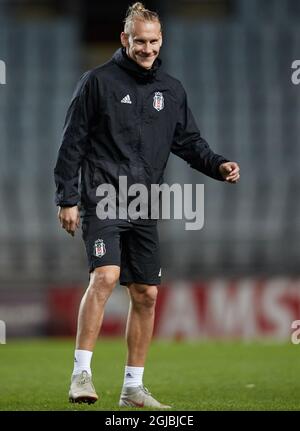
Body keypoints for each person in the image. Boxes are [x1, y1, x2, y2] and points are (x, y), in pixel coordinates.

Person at [54, 2, 240, 409]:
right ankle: (80, 375)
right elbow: (72, 143)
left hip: (145, 202)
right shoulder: (97, 82)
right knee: (105, 277)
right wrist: (66, 198)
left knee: (147, 294)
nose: (147, 48)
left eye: (154, 41)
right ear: (125, 39)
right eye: (140, 41)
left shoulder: (170, 90)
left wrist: (218, 164)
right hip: (102, 196)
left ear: (161, 40)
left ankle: (132, 388)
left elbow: (188, 142)